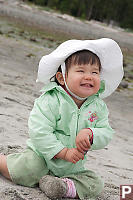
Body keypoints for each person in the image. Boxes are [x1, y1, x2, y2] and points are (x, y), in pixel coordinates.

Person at [0, 38, 123, 200]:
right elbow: (39, 131)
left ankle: (63, 187)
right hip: (43, 157)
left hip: (72, 166)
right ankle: (2, 162)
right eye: (81, 71)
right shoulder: (51, 99)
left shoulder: (98, 106)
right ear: (61, 77)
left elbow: (106, 132)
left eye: (94, 72)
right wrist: (62, 152)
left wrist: (91, 133)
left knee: (95, 183)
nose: (89, 76)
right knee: (28, 169)